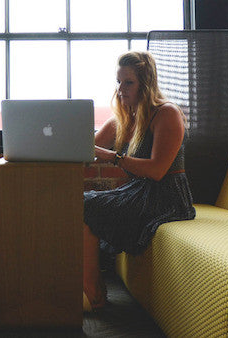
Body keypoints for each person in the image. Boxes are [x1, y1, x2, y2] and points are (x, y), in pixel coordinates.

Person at [82, 51, 196, 311]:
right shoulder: (123, 118)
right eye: (118, 82)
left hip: (167, 196)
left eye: (128, 82)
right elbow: (86, 150)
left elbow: (157, 170)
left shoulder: (166, 113)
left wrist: (113, 157)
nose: (121, 89)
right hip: (138, 191)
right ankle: (93, 287)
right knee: (81, 202)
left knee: (86, 206)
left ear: (145, 83)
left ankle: (93, 292)